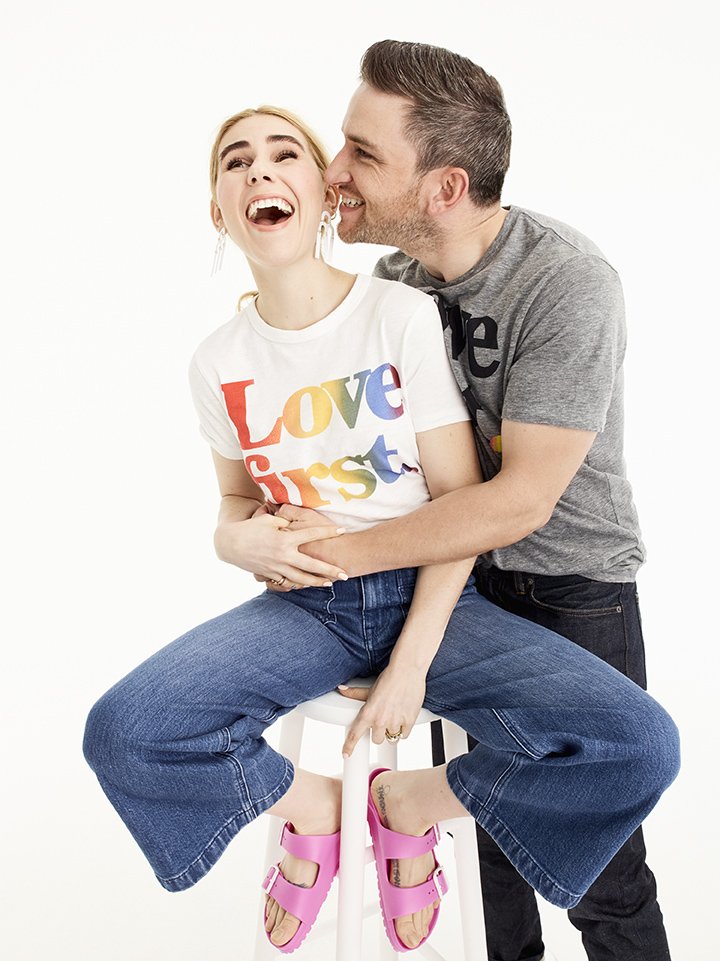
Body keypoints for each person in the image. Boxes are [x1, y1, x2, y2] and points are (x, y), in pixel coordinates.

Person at [82, 104, 679, 956]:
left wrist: (410, 663)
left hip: (436, 598)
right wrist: (231, 539)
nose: (259, 170)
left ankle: (409, 803)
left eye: (284, 153)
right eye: (236, 161)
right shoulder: (216, 361)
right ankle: (317, 807)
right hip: (307, 608)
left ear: (323, 193)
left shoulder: (398, 309)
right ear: (218, 210)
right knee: (126, 730)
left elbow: (461, 503)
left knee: (638, 744)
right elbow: (234, 502)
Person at [259, 39, 675, 961]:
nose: (334, 170)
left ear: (445, 187)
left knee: (603, 862)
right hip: (455, 588)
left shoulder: (566, 282)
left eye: (364, 153)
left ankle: (411, 802)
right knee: (490, 858)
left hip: (574, 590)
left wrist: (340, 555)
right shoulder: (394, 286)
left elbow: (520, 502)